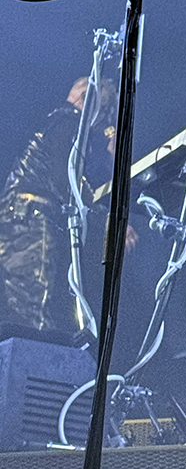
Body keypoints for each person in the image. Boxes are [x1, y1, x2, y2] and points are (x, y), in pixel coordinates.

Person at [0, 78, 119, 342]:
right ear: (87, 100)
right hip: (29, 218)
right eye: (103, 112)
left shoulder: (56, 122)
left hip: (18, 216)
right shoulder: (69, 122)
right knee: (31, 308)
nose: (101, 124)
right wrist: (105, 216)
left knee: (19, 306)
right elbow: (66, 179)